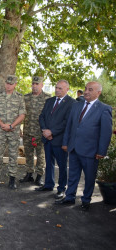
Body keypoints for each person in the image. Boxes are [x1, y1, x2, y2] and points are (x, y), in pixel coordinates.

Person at [56, 82, 112, 211]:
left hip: (91, 151)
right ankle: (69, 197)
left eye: (90, 90)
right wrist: (65, 143)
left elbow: (106, 132)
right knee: (73, 175)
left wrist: (101, 151)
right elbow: (69, 126)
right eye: (86, 89)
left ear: (98, 93)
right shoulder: (76, 106)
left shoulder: (104, 109)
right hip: (74, 148)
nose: (86, 92)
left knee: (89, 177)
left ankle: (86, 201)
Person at [36, 80, 75, 199]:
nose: (57, 90)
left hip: (60, 140)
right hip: (47, 139)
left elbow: (67, 122)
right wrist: (44, 130)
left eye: (60, 88)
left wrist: (52, 132)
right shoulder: (49, 101)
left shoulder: (71, 103)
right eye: (56, 87)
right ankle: (48, 184)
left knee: (62, 165)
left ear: (67, 89)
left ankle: (61, 189)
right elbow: (41, 116)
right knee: (49, 163)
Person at [0, 75, 26, 189]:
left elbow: (22, 114)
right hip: (0, 130)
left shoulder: (19, 97)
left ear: (15, 84)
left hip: (14, 131)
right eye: (7, 83)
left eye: (11, 84)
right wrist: (2, 125)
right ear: (5, 83)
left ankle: (12, 179)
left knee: (13, 155)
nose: (8, 85)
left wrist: (11, 125)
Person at [20, 76, 50, 186]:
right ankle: (29, 174)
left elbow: (50, 116)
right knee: (28, 154)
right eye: (33, 84)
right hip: (27, 131)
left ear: (42, 85)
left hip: (40, 132)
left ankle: (39, 176)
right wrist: (19, 128)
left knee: (41, 155)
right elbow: (20, 113)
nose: (35, 86)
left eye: (37, 84)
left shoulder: (48, 98)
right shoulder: (26, 97)